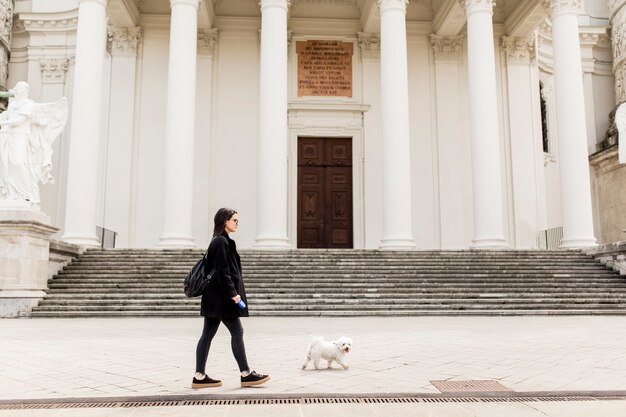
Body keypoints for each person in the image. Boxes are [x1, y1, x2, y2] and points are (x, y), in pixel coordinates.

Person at [192, 208, 270, 389]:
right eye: (234, 220)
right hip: (222, 298)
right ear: (224, 221)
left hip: (215, 297)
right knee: (237, 332)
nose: (237, 223)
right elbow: (222, 271)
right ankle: (246, 374)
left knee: (207, 335)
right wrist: (233, 294)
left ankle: (199, 376)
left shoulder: (220, 241)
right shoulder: (220, 242)